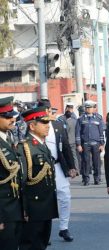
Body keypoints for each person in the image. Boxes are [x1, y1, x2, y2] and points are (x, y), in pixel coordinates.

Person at [19, 107, 58, 250]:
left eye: (48, 123)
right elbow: (22, 181)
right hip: (33, 206)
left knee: (42, 242)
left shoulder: (41, 145)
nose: (48, 126)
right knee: (31, 244)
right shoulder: (25, 147)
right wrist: (25, 209)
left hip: (45, 204)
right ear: (32, 126)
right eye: (43, 123)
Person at [37, 99, 76, 242]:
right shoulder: (34, 126)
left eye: (48, 110)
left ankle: (64, 228)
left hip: (58, 166)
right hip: (40, 168)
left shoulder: (58, 125)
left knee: (65, 196)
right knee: (45, 199)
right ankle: (44, 231)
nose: (48, 113)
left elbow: (65, 146)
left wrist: (71, 166)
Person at [0, 96, 23, 250]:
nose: (12, 119)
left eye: (12, 116)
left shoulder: (8, 138)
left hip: (14, 208)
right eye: (6, 117)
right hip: (3, 210)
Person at [75, 100, 105, 185]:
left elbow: (101, 132)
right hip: (85, 143)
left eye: (90, 108)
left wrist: (102, 144)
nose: (89, 109)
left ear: (93, 108)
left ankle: (97, 178)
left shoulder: (98, 118)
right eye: (87, 108)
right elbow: (77, 133)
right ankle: (86, 179)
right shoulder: (80, 119)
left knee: (96, 162)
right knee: (85, 162)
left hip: (96, 144)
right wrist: (78, 144)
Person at [58, 103, 80, 173]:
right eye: (69, 108)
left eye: (71, 108)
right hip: (73, 140)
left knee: (68, 155)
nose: (70, 109)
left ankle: (70, 170)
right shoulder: (74, 119)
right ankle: (77, 170)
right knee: (74, 156)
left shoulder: (66, 120)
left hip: (67, 141)